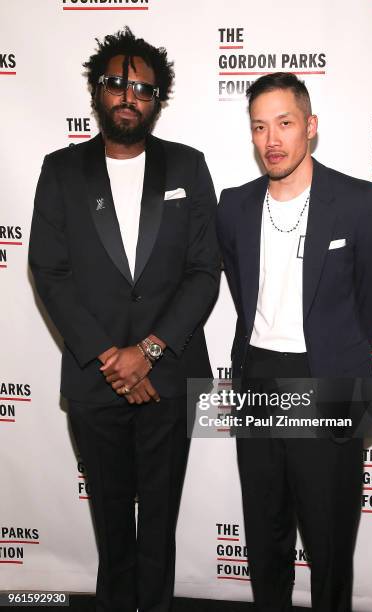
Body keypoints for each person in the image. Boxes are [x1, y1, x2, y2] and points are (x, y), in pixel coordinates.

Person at [29, 27, 219, 612]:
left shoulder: (188, 166)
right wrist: (113, 358)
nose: (127, 95)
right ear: (96, 89)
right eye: (116, 83)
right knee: (112, 528)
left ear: (158, 98)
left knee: (159, 523)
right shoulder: (61, 170)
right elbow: (49, 270)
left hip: (168, 375)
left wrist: (149, 352)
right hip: (96, 379)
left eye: (142, 87)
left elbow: (204, 271)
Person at [216, 72, 372, 611]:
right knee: (264, 539)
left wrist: (336, 354)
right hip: (259, 380)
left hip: (331, 380)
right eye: (260, 127)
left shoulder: (358, 201)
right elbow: (242, 294)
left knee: (330, 543)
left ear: (309, 127)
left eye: (285, 123)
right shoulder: (234, 206)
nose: (272, 139)